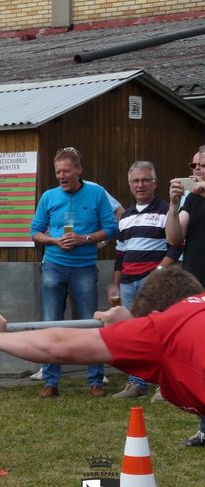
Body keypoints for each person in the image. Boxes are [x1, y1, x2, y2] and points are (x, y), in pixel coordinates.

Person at [0, 265, 205, 487]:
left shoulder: (166, 326)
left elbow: (58, 346)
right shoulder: (191, 316)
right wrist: (130, 326)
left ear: (156, 316)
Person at [30, 147, 117, 398]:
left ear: (79, 170)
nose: (61, 176)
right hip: (53, 265)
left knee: (91, 323)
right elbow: (35, 232)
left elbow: (111, 228)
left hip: (84, 267)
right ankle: (50, 381)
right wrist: (54, 241)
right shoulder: (49, 196)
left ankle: (95, 380)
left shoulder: (96, 193)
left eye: (66, 171)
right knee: (50, 323)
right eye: (58, 172)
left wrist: (85, 239)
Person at [110, 161, 181, 398]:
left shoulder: (166, 211)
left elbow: (176, 247)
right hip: (127, 283)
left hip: (155, 281)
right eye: (135, 181)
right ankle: (137, 383)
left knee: (161, 332)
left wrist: (158, 273)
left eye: (145, 180)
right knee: (134, 334)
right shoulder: (125, 216)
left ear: (155, 183)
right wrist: (115, 284)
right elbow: (120, 253)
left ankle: (165, 384)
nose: (140, 185)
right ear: (130, 185)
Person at [167, 169, 205, 445]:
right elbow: (173, 238)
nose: (197, 170)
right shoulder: (192, 200)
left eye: (202, 164)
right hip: (197, 287)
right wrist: (172, 205)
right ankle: (204, 428)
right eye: (194, 165)